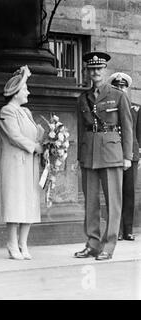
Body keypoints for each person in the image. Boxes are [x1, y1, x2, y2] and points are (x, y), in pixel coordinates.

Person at [75, 51, 133, 261]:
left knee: (113, 201)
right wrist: (80, 157)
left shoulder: (118, 95)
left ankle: (109, 245)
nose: (95, 72)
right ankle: (92, 244)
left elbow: (127, 127)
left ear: (104, 70)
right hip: (89, 153)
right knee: (90, 202)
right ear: (87, 71)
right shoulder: (83, 98)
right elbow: (81, 130)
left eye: (99, 68)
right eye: (92, 69)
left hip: (111, 152)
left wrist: (128, 155)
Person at [0, 66, 44, 260]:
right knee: (15, 203)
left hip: (30, 164)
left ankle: (23, 243)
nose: (28, 92)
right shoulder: (7, 111)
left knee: (29, 203)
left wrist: (48, 140)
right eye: (25, 89)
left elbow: (34, 133)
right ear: (16, 93)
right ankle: (11, 243)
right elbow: (15, 136)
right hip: (15, 164)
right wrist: (35, 146)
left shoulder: (26, 112)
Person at [108, 72, 141, 241]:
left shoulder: (136, 108)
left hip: (132, 154)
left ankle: (128, 229)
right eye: (117, 86)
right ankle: (116, 230)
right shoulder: (109, 107)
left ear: (127, 88)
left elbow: (139, 133)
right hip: (113, 153)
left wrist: (139, 153)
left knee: (129, 192)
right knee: (115, 192)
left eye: (123, 86)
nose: (120, 89)